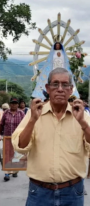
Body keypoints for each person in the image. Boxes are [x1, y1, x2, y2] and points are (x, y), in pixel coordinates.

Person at [12, 68, 90, 206]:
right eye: (55, 84)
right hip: (39, 192)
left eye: (65, 85)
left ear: (71, 89)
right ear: (47, 88)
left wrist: (83, 124)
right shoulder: (34, 113)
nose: (60, 89)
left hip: (73, 192)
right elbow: (21, 147)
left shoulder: (82, 116)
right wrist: (32, 121)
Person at [0, 97, 25, 181]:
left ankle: (15, 171)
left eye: (15, 103)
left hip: (18, 138)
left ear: (17, 104)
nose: (13, 105)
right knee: (7, 154)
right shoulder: (6, 113)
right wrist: (0, 134)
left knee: (16, 154)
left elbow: (25, 125)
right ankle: (7, 173)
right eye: (12, 103)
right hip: (7, 137)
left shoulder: (21, 113)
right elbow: (1, 123)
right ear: (10, 104)